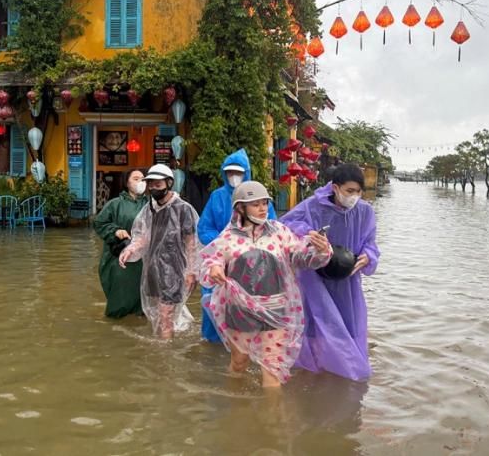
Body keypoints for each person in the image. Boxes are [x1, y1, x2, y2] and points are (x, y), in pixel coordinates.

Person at [200, 181, 332, 388]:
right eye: (255, 204)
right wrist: (214, 269)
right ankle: (236, 410)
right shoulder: (227, 238)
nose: (263, 208)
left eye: (264, 203)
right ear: (240, 208)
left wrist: (320, 250)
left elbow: (300, 256)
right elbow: (210, 260)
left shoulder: (280, 232)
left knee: (272, 370)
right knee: (239, 363)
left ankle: (271, 418)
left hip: (276, 309)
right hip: (240, 310)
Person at [280, 163, 380, 381]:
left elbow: (370, 243)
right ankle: (312, 370)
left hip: (347, 278)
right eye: (349, 191)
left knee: (347, 322)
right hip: (314, 277)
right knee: (315, 321)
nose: (354, 196)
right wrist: (309, 234)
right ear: (336, 188)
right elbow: (285, 225)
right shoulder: (313, 206)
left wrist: (367, 256)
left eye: (358, 192)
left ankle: (342, 371)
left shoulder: (364, 211)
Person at [197, 149, 277, 343]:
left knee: (248, 308)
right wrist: (224, 247)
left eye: (239, 173)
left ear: (247, 173)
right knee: (214, 306)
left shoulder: (258, 198)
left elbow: (272, 229)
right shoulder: (216, 197)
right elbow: (204, 227)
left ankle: (246, 347)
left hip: (250, 263)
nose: (234, 177)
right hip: (220, 262)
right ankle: (213, 345)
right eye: (230, 173)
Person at [118, 164, 200, 339]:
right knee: (156, 315)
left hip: (174, 270)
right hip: (153, 269)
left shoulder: (182, 209)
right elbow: (142, 236)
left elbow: (192, 243)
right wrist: (130, 249)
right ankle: (161, 350)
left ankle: (165, 356)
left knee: (165, 316)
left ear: (169, 183)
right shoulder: (150, 208)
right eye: (151, 184)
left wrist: (192, 271)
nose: (154, 188)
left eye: (158, 184)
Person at [93, 169, 149, 318]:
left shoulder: (152, 204)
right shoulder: (115, 204)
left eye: (143, 179)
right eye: (136, 179)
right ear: (127, 182)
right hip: (119, 258)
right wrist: (115, 231)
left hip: (144, 259)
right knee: (120, 297)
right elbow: (99, 222)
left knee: (144, 299)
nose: (140, 182)